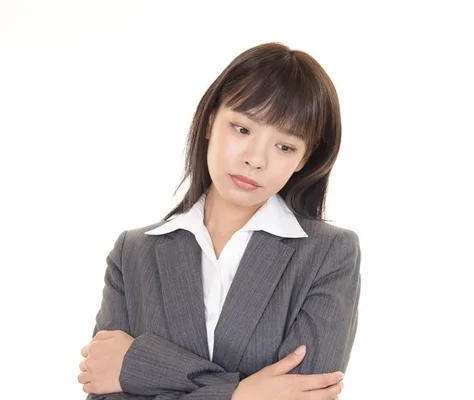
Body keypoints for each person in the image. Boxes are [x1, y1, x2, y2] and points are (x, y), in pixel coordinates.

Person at [77, 42, 362, 400]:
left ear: (304, 158)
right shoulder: (133, 253)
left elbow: (304, 394)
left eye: (284, 146)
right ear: (211, 120)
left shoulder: (329, 254)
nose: (256, 159)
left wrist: (141, 368)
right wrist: (241, 394)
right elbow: (102, 389)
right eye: (242, 129)